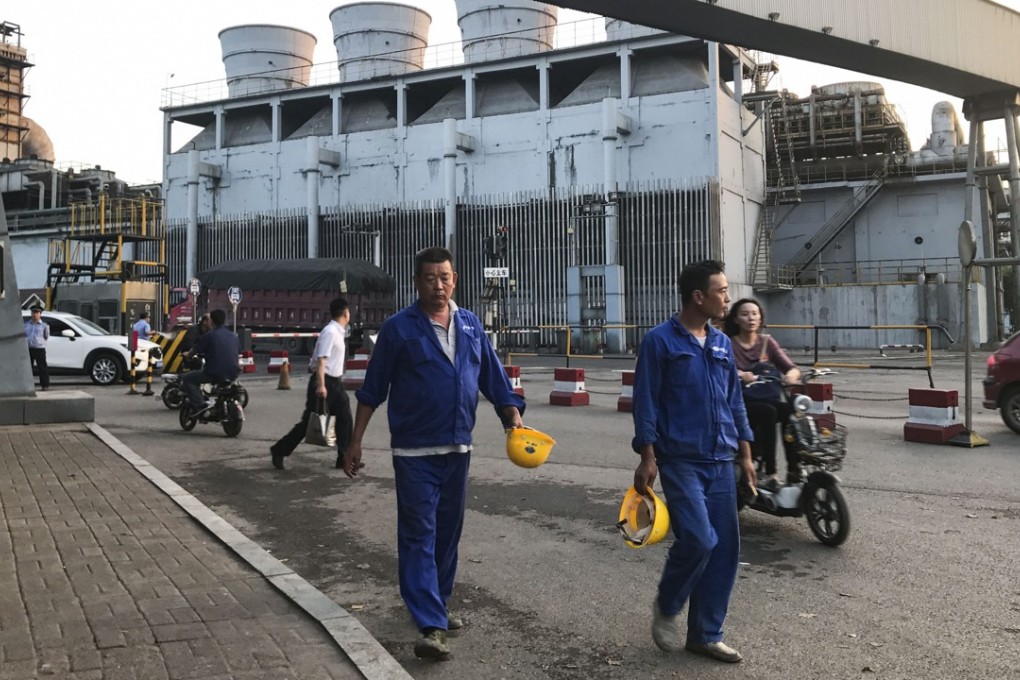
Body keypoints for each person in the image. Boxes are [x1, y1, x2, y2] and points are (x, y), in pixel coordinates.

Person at [341, 246, 525, 661]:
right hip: (414, 451)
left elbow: (494, 379)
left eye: (445, 277)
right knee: (419, 534)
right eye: (430, 278)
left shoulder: (472, 326)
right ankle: (430, 624)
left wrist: (511, 415)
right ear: (417, 281)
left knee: (447, 535)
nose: (438, 285)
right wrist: (355, 441)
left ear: (455, 280)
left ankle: (435, 604)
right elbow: (372, 390)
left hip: (458, 448)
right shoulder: (398, 329)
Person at [631, 259, 755, 664]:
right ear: (698, 297)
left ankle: (705, 634)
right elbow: (646, 402)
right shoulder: (659, 342)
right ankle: (668, 604)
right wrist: (648, 456)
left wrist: (746, 455)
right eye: (721, 290)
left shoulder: (721, 344)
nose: (727, 298)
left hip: (721, 459)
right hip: (680, 460)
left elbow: (733, 402)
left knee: (723, 551)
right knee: (699, 539)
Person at [722, 298, 802, 488]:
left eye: (754, 314)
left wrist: (791, 376)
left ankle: (794, 468)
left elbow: (791, 367)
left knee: (792, 409)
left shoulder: (767, 341)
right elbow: (722, 370)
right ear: (735, 319)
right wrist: (741, 374)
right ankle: (771, 472)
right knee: (769, 412)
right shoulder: (728, 344)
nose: (750, 318)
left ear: (760, 318)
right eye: (744, 314)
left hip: (768, 398)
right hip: (741, 403)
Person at [270, 297, 354, 470]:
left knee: (345, 419)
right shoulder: (331, 332)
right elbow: (321, 361)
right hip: (325, 382)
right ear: (346, 313)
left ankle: (344, 457)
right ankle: (279, 450)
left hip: (336, 383)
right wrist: (321, 385)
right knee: (308, 422)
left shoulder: (338, 332)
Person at [182, 309, 240, 416]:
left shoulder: (209, 336)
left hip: (213, 372)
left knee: (188, 379)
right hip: (234, 373)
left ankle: (200, 406)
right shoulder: (234, 336)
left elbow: (193, 351)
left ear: (212, 321)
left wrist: (187, 355)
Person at [24, 304, 51, 391]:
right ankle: (28, 386)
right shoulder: (26, 325)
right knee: (28, 369)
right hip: (29, 349)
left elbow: (46, 336)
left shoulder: (44, 325)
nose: (35, 314)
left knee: (42, 368)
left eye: (37, 312)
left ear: (40, 314)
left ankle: (45, 385)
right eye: (33, 312)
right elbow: (24, 335)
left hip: (39, 349)